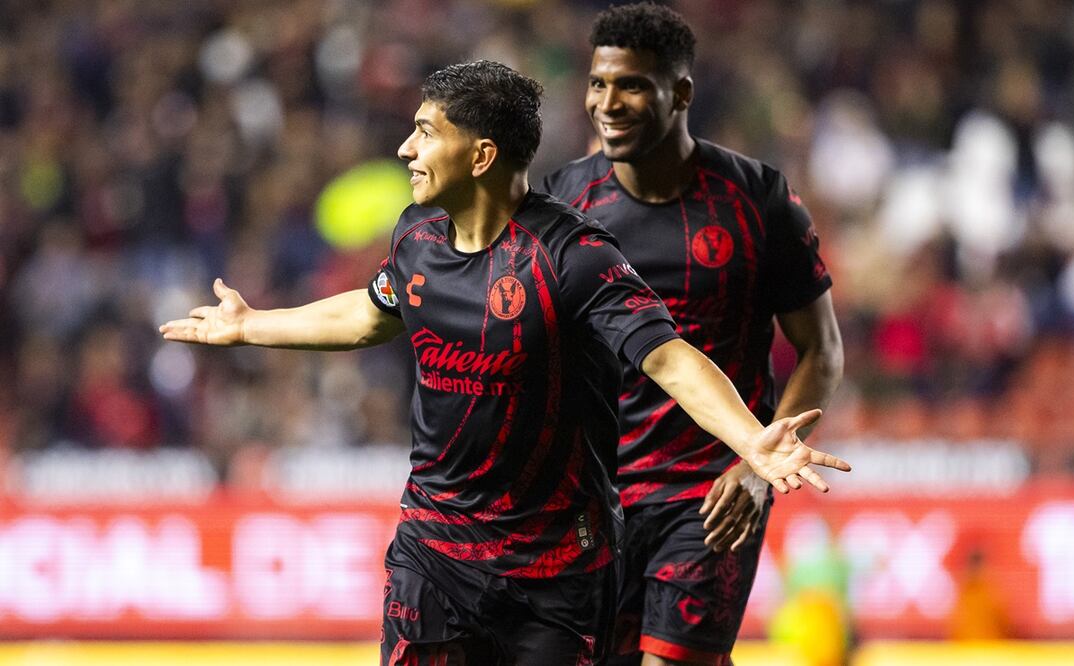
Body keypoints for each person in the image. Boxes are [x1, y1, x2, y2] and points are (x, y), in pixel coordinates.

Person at [161, 60, 848, 666]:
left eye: (425, 132)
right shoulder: (415, 237)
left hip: (556, 568)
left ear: (481, 154)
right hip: (435, 550)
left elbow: (668, 359)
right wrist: (252, 326)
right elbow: (370, 314)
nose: (405, 148)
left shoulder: (575, 257)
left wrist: (750, 439)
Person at [541, 4, 845, 665]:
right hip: (592, 498)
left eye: (631, 85)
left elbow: (822, 350)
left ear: (680, 92)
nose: (607, 104)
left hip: (712, 492)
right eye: (597, 84)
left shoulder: (758, 199)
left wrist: (756, 467)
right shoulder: (561, 205)